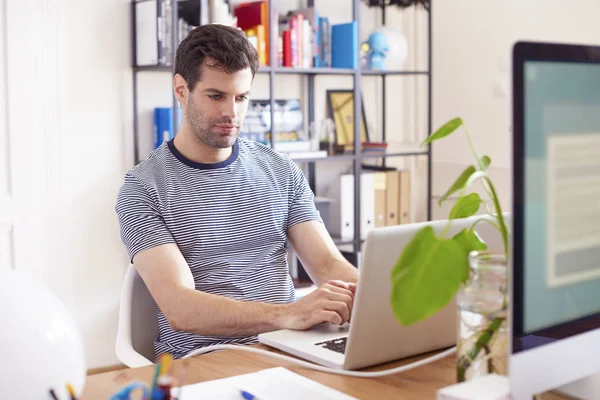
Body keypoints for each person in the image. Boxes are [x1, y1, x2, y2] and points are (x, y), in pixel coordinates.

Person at [115, 24, 358, 360]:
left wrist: (384, 296)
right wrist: (288, 314)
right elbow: (180, 308)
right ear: (181, 89)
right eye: (216, 96)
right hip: (205, 358)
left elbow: (328, 264)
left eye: (241, 97)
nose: (231, 112)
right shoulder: (143, 189)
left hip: (290, 347)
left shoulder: (281, 170)